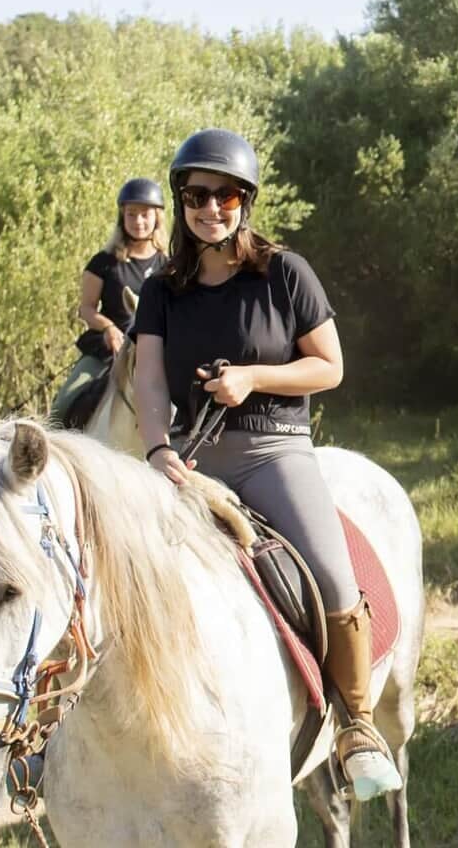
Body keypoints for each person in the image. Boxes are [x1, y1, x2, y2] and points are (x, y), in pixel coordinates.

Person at [130, 127, 401, 801]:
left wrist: (253, 378)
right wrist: (158, 449)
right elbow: (149, 381)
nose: (209, 207)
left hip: (273, 451)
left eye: (224, 195)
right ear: (181, 201)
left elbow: (328, 366)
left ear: (245, 200)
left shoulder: (284, 271)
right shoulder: (163, 287)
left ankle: (357, 724)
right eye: (196, 195)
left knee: (335, 579)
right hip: (191, 459)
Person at [49, 178, 167, 425]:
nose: (138, 221)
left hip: (156, 350)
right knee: (62, 405)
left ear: (157, 217)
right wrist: (108, 328)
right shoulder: (103, 262)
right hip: (108, 349)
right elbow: (86, 309)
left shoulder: (169, 266)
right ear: (122, 217)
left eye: (145, 214)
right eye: (131, 214)